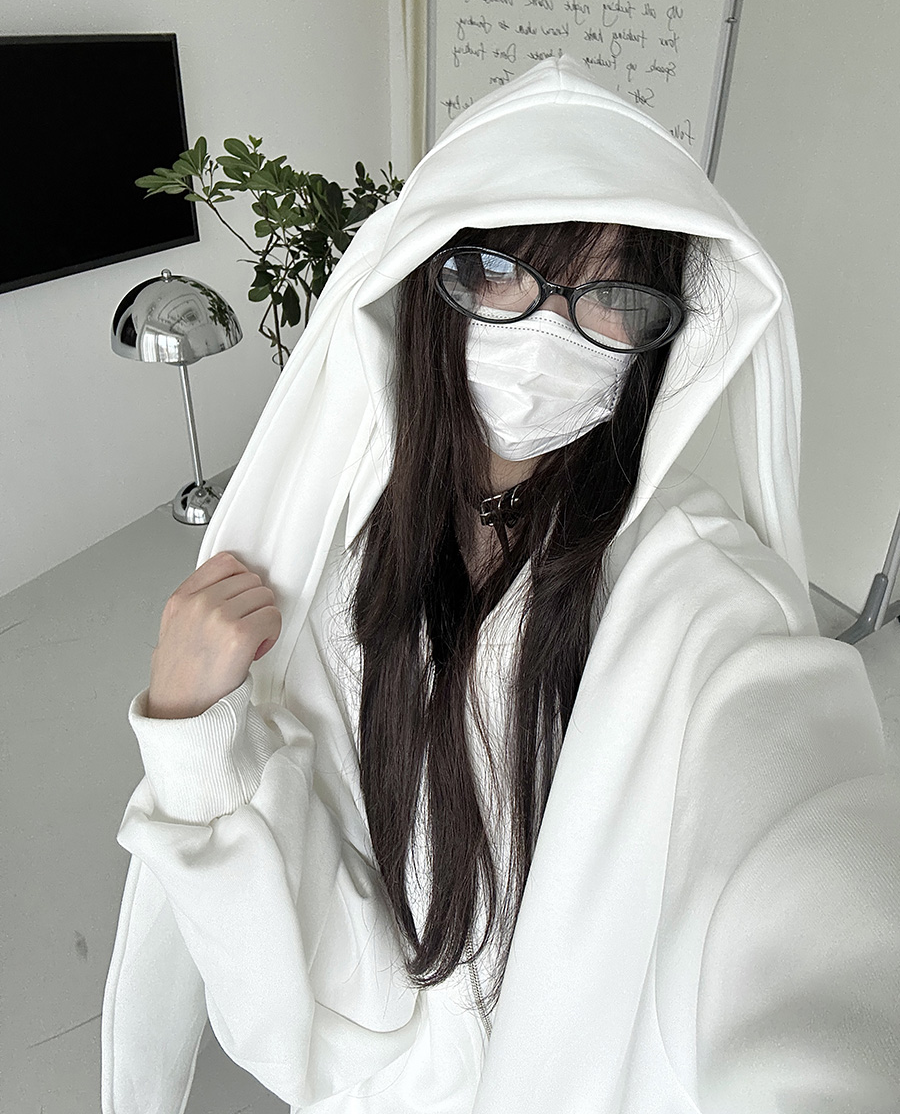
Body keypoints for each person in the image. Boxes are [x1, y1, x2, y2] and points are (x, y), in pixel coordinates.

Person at [101, 57, 900, 1113]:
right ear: (431, 277)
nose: (550, 333)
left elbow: (810, 878)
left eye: (615, 298)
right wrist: (192, 733)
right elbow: (302, 976)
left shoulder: (703, 597)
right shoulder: (344, 565)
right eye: (497, 273)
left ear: (661, 337)